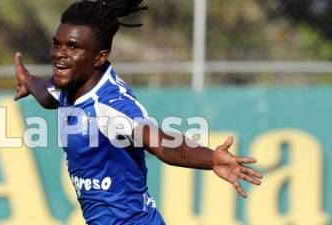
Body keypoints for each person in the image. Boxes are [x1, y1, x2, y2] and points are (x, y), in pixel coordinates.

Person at [13, 0, 263, 224]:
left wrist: (211, 159)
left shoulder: (110, 108)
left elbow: (163, 144)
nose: (59, 54)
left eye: (73, 47)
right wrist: (28, 80)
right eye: (57, 44)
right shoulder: (72, 85)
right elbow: (49, 95)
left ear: (100, 58)